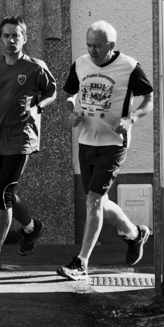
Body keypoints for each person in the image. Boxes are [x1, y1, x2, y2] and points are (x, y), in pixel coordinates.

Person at [56, 21, 154, 280]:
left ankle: (81, 262)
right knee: (99, 201)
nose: (92, 50)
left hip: (113, 144)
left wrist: (131, 119)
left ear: (111, 45)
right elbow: (67, 94)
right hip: (87, 141)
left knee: (93, 201)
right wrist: (70, 112)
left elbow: (149, 99)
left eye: (98, 46)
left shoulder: (130, 67)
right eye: (89, 45)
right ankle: (136, 234)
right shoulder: (80, 64)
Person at [0, 16, 58, 270]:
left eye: (16, 36)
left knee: (3, 193)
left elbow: (51, 92)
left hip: (21, 138)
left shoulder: (35, 67)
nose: (11, 40)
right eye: (7, 36)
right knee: (3, 191)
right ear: (1, 39)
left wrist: (38, 107)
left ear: (24, 38)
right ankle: (31, 228)